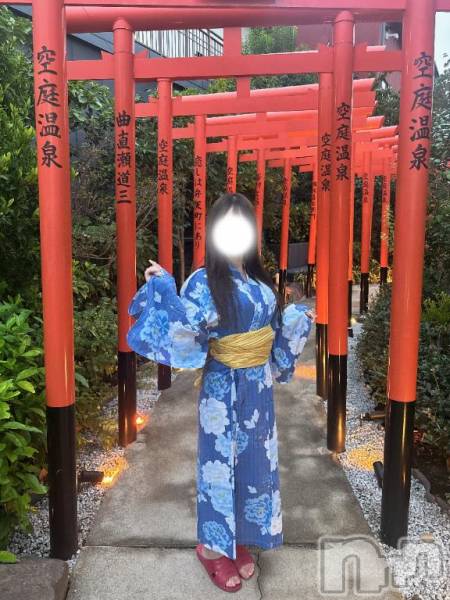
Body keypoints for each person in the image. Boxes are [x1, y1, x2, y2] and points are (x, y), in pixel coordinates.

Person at [126, 192, 315, 592]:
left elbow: (273, 339)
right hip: (222, 389)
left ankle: (237, 539)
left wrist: (295, 320)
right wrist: (164, 289)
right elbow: (186, 330)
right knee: (220, 464)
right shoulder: (203, 281)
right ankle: (211, 549)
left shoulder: (259, 281)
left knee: (254, 464)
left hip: (258, 389)